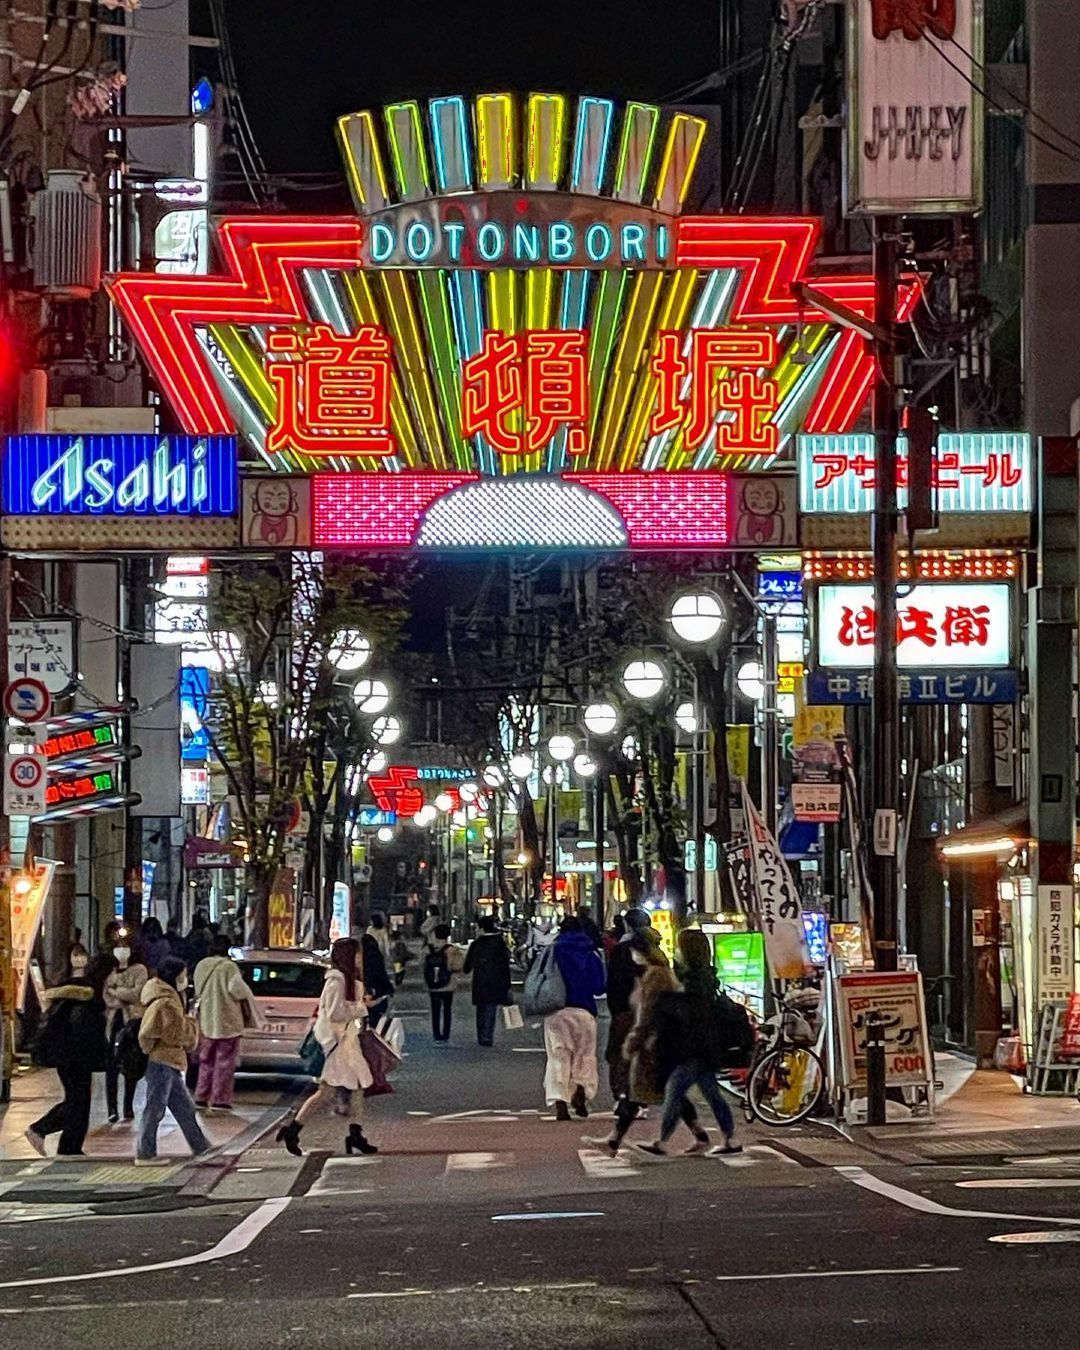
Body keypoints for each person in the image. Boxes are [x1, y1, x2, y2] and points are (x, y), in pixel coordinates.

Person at [585, 910, 706, 1157]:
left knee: (644, 1090)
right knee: (662, 1091)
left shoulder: (655, 974)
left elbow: (648, 1013)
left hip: (657, 1044)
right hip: (664, 1042)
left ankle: (616, 1140)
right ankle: (695, 1135)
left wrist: (634, 1040)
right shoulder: (663, 970)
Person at [635, 929, 742, 1159]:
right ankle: (729, 1138)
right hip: (705, 1047)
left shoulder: (695, 981)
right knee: (712, 1094)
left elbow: (691, 1013)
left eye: (680, 947)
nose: (677, 951)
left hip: (695, 1048)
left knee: (674, 1091)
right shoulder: (703, 977)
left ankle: (662, 1141)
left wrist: (668, 1004)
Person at [276, 938, 378, 1157]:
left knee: (356, 1086)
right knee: (327, 1092)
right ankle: (293, 1129)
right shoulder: (336, 981)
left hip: (345, 1044)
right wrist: (361, 1008)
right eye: (357, 955)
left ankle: (355, 1134)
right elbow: (335, 1013)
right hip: (335, 1045)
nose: (360, 959)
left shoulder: (346, 980)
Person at [26, 954, 115, 1157]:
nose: (113, 977)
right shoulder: (86, 995)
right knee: (77, 1101)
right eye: (112, 972)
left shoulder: (84, 991)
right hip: (74, 1056)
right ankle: (41, 1129)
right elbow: (82, 1029)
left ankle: (70, 1147)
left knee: (80, 1101)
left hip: (70, 1055)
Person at [135, 956, 213, 1165]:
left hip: (171, 1061)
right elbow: (162, 1033)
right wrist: (190, 1021)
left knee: (184, 1108)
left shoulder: (169, 999)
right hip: (161, 1061)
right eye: (182, 975)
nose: (185, 980)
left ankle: (202, 1147)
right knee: (155, 1108)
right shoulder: (165, 1003)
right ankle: (145, 1153)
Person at [544, 916, 606, 1121]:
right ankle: (580, 1090)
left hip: (557, 1009)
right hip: (584, 1010)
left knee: (558, 1057)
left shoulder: (553, 950)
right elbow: (599, 985)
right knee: (585, 1055)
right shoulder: (590, 952)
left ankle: (560, 1102)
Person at [193, 935, 260, 1113]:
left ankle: (201, 1095)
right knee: (224, 1061)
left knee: (205, 1060)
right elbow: (236, 990)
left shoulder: (201, 965)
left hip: (207, 1020)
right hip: (227, 1022)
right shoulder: (229, 967)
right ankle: (220, 1099)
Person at [103, 933, 148, 1123]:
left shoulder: (140, 970)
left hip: (133, 1020)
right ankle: (112, 1108)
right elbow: (105, 994)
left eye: (125, 946)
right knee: (111, 1064)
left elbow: (137, 994)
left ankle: (128, 1106)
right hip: (113, 1021)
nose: (122, 950)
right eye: (118, 946)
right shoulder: (108, 969)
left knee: (131, 1061)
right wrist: (121, 994)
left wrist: (116, 991)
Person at [462, 914, 511, 1046]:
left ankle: (481, 1035)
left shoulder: (476, 944)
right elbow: (505, 965)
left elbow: (467, 966)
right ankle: (487, 1036)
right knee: (491, 1008)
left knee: (481, 1009)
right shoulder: (499, 943)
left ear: (482, 928)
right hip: (496, 981)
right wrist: (507, 984)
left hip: (480, 980)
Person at [424, 923, 464, 1042]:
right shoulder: (452, 949)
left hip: (432, 984)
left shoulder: (427, 949)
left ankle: (436, 1034)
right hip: (448, 984)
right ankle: (445, 1034)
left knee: (435, 1010)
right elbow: (457, 966)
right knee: (447, 1010)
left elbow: (423, 964)